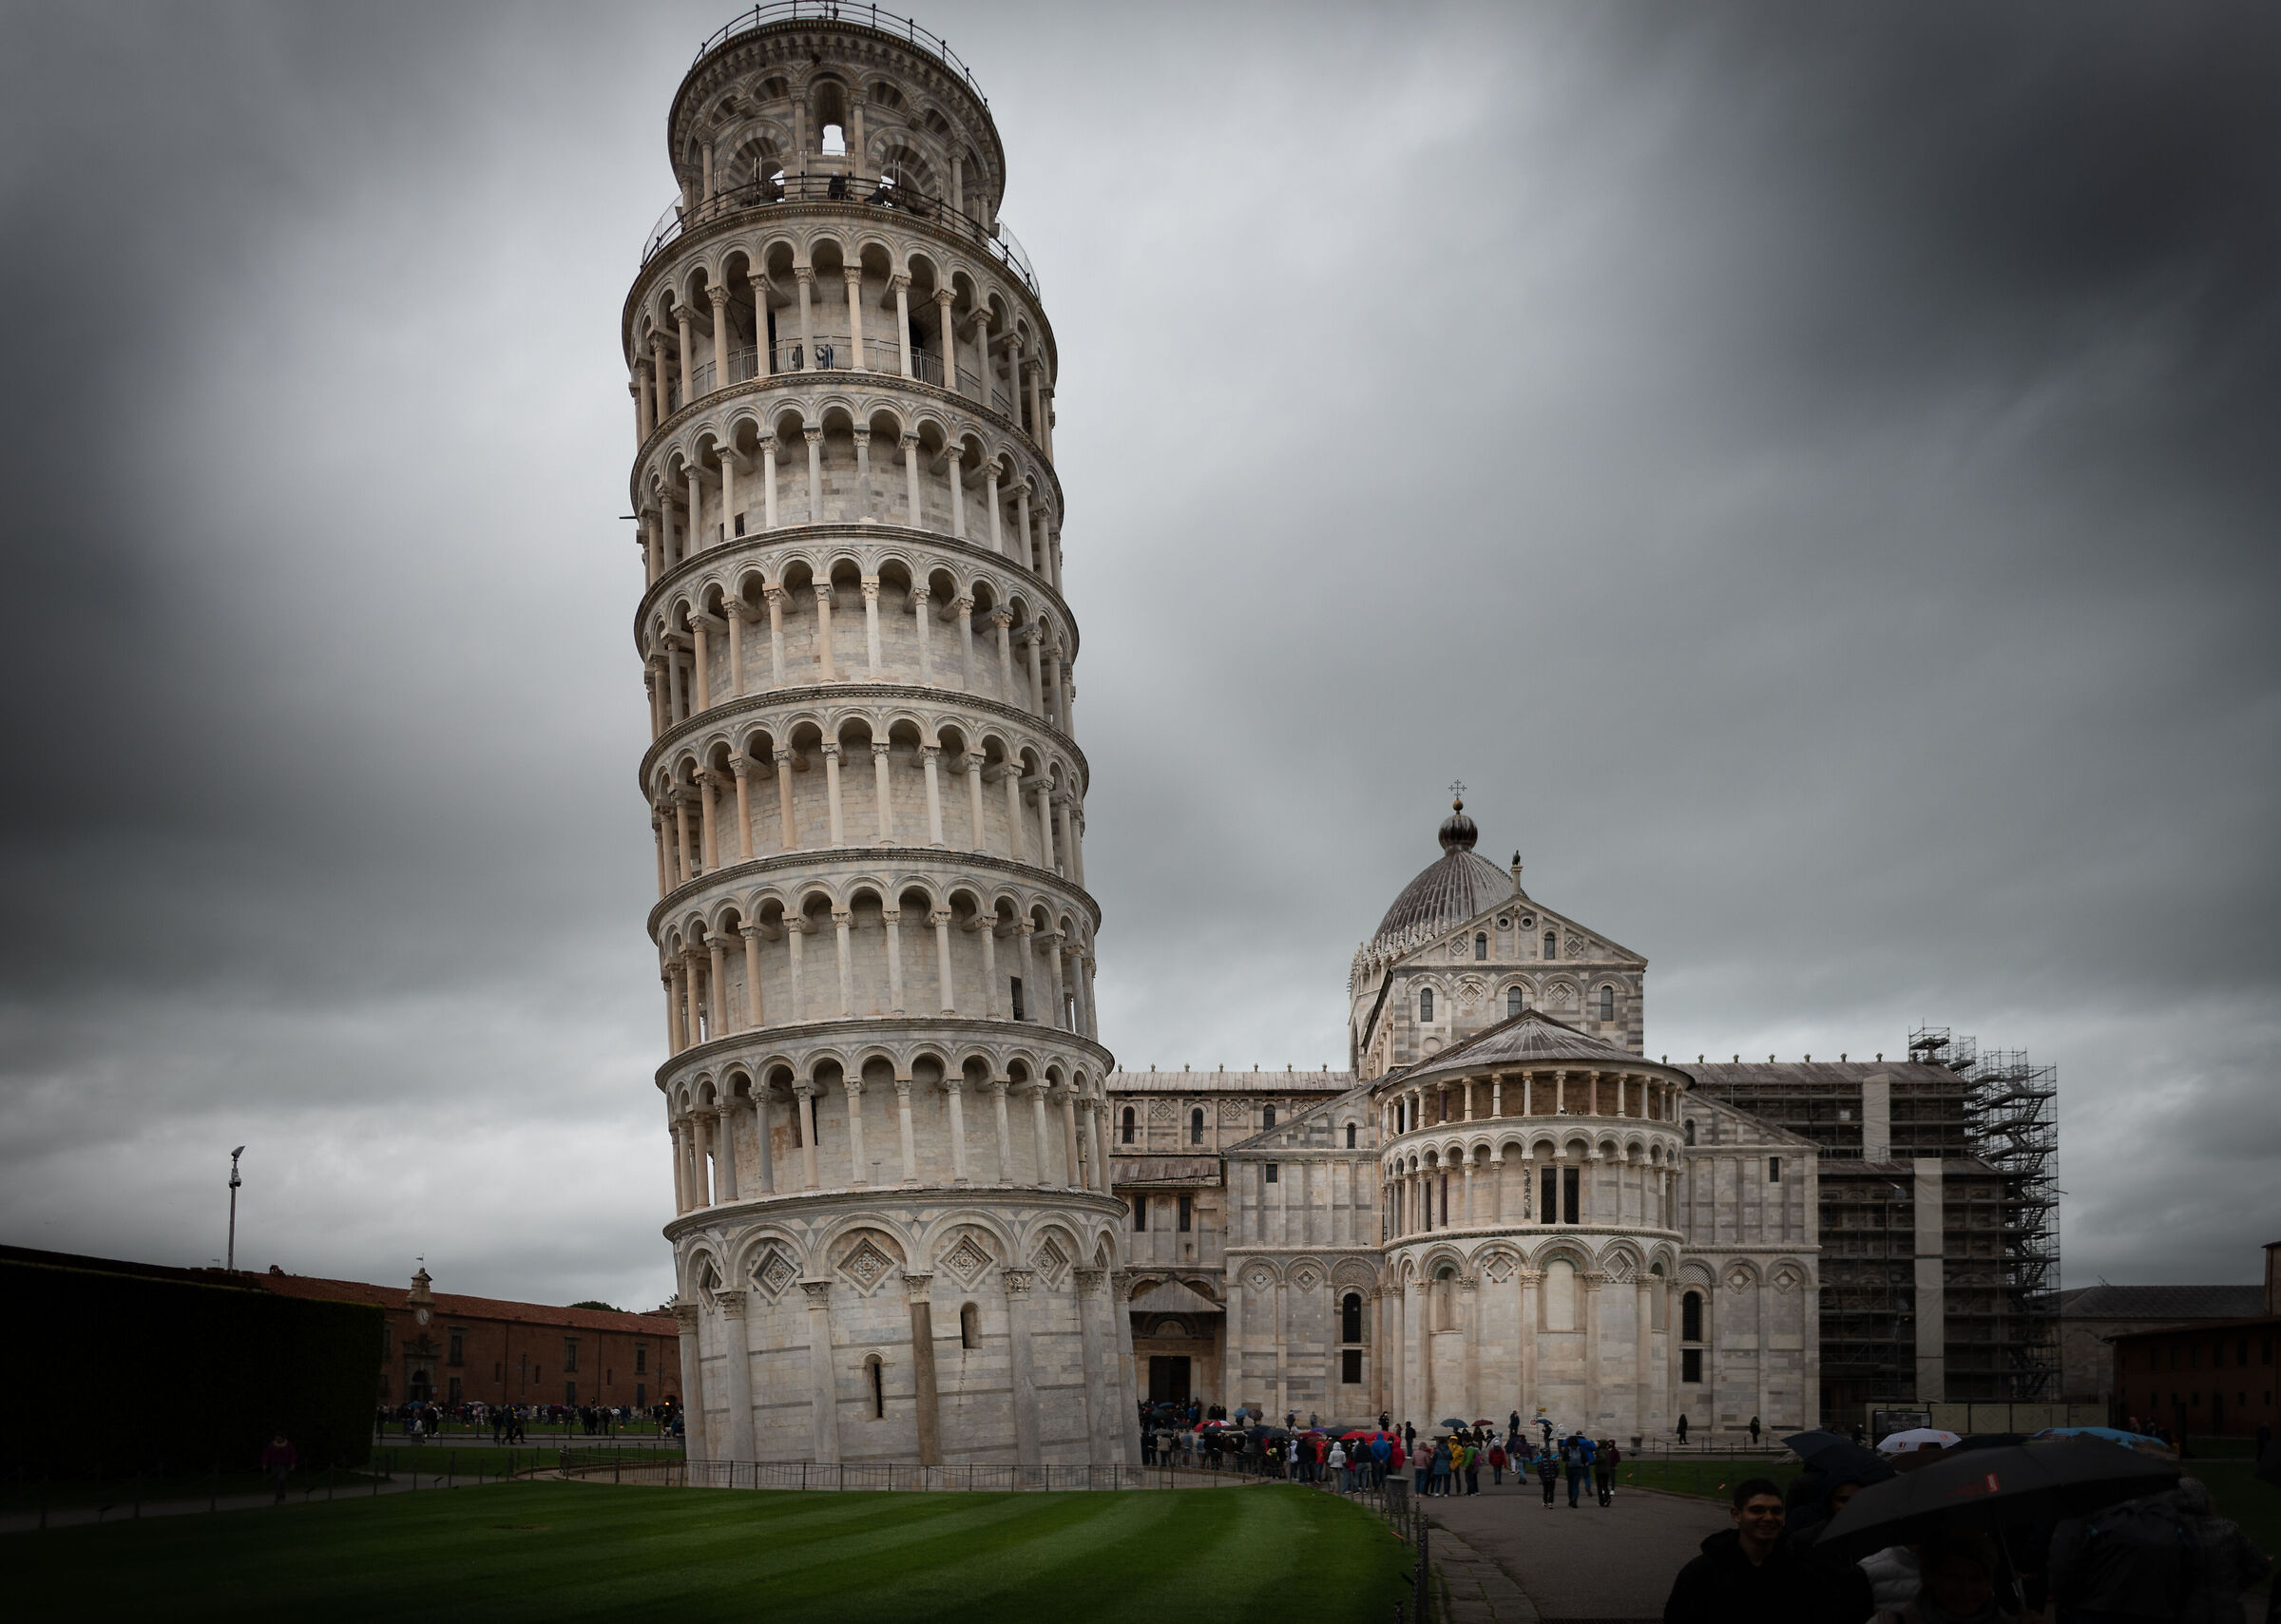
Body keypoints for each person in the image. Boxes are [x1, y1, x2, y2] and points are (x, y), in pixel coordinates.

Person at [1663, 1477, 1837, 1623]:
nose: (1768, 1518)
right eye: (1757, 1510)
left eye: (1776, 1511)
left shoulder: (1803, 1573)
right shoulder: (1700, 1574)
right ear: (1736, 1514)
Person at [261, 1433, 297, 1504]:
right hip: (274, 1465)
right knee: (277, 1481)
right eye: (276, 1437)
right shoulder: (272, 1445)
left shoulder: (288, 1445)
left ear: (282, 1438)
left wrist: (292, 1463)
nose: (277, 1439)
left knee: (282, 1479)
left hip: (284, 1466)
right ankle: (278, 1496)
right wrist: (265, 1463)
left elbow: (293, 1454)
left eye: (278, 1437)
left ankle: (282, 1494)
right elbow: (267, 1454)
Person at [1596, 1438, 1620, 1506]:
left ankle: (1603, 1500)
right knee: (1605, 1484)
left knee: (1603, 1484)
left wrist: (1592, 1462)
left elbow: (1603, 1458)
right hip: (1606, 1469)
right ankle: (1607, 1498)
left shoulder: (1602, 1451)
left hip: (1602, 1469)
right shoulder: (1607, 1450)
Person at [1536, 1442, 1559, 1508]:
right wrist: (1556, 1475)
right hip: (1552, 1478)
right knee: (1551, 1490)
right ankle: (1551, 1502)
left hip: (1544, 1478)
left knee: (1545, 1490)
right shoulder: (1553, 1460)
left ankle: (1545, 1502)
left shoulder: (1541, 1461)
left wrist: (1541, 1476)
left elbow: (1539, 1470)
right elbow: (1557, 1468)